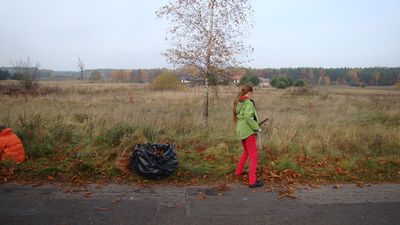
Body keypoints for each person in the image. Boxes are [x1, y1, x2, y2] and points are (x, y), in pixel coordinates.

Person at [233, 85, 264, 188]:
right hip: (247, 131)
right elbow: (248, 117)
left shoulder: (239, 101)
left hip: (240, 130)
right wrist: (257, 128)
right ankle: (252, 181)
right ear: (249, 92)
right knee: (254, 156)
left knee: (246, 152)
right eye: (251, 93)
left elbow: (241, 116)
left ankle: (237, 172)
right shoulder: (248, 103)